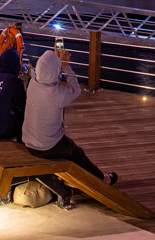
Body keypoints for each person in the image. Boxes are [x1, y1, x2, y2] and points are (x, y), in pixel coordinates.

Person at [23, 48, 116, 209]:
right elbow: (75, 89)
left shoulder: (33, 84)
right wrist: (65, 67)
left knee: (68, 147)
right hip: (47, 146)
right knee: (76, 152)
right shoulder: (57, 95)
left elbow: (48, 73)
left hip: (28, 141)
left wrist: (56, 63)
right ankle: (101, 179)